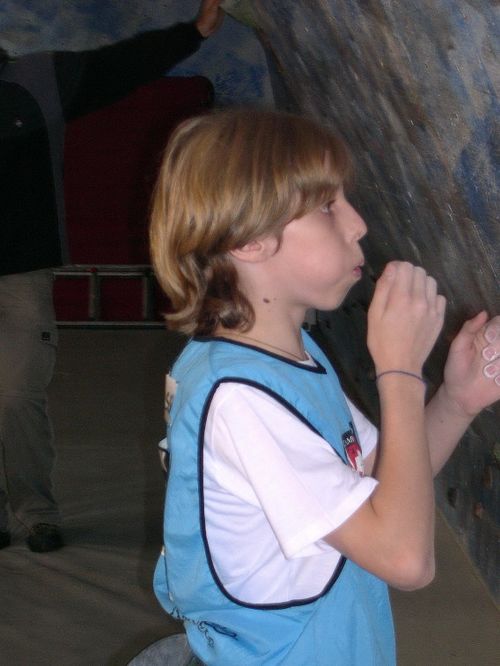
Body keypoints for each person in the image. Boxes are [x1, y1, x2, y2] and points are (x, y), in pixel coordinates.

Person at [149, 108, 500, 665]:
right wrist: (400, 373)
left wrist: (455, 401)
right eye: (328, 206)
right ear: (251, 240)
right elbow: (406, 559)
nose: (357, 223)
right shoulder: (238, 396)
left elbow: (381, 480)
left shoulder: (288, 356)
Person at [0, 0, 224, 553]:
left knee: (14, 394)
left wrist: (191, 33)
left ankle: (33, 514)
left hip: (21, 268)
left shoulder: (37, 79)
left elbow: (116, 66)